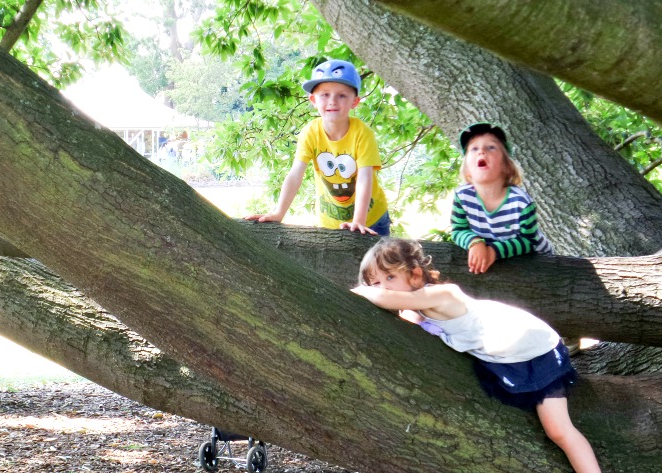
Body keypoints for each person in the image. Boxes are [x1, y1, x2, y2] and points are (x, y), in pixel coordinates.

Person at [352, 238, 601, 473]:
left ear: (416, 274)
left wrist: (364, 292)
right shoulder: (419, 308)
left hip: (534, 351)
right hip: (505, 355)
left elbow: (388, 299)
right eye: (375, 282)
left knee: (558, 430)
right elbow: (406, 314)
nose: (382, 287)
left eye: (390, 277)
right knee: (553, 428)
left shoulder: (442, 294)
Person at [245, 59, 390, 235]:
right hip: (329, 222)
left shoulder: (362, 133)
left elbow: (364, 178)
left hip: (370, 220)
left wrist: (358, 221)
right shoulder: (310, 132)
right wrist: (278, 213)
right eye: (325, 95)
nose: (332, 101)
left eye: (342, 95)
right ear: (313, 100)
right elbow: (295, 174)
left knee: (378, 262)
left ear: (355, 102)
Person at [451, 122, 552, 274]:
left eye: (491, 147)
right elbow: (458, 230)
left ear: (506, 167)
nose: (481, 152)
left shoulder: (521, 202)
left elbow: (529, 241)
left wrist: (493, 251)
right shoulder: (463, 197)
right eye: (474, 149)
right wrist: (474, 243)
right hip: (496, 258)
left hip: (538, 259)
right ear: (467, 170)